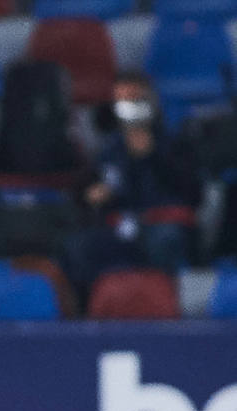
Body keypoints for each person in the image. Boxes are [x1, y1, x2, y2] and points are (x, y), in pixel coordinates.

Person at [61, 73, 202, 304]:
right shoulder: (109, 149)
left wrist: (153, 157)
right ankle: (89, 316)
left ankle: (165, 309)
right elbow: (83, 190)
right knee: (79, 247)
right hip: (120, 227)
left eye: (135, 99)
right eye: (122, 101)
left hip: (162, 225)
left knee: (165, 240)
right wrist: (92, 195)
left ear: (151, 102)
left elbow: (194, 194)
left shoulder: (175, 143)